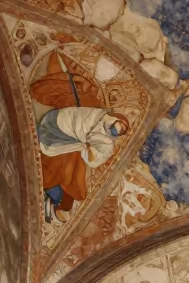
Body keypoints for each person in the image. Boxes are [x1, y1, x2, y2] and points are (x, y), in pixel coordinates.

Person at [32, 51, 129, 223]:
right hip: (61, 127)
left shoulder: (106, 142)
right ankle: (53, 196)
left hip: (75, 144)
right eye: (117, 125)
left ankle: (55, 200)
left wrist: (88, 148)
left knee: (72, 170)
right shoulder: (96, 110)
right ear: (115, 118)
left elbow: (98, 155)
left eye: (119, 131)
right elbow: (81, 115)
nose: (116, 129)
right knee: (60, 165)